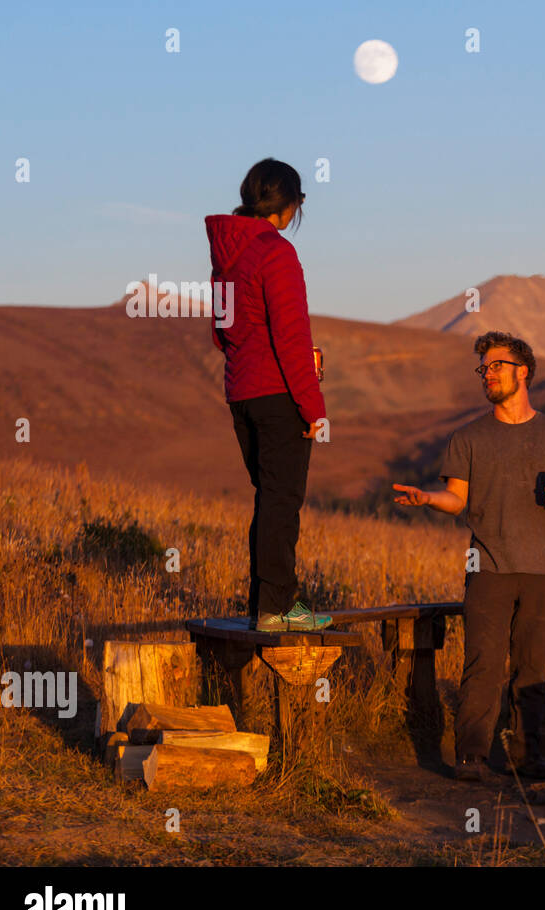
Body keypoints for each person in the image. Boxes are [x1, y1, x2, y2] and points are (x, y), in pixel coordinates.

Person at [393, 332, 545, 780]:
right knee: (482, 664)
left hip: (542, 568)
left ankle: (525, 757)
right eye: (484, 368)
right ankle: (472, 757)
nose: (488, 375)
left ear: (523, 371)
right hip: (488, 567)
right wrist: (427, 498)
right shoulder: (469, 437)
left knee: (532, 670)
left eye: (497, 366)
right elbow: (457, 499)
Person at [206, 158, 332, 632]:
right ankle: (278, 609)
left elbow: (221, 333)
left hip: (240, 393)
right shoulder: (276, 253)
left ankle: (266, 607)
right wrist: (313, 408)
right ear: (289, 204)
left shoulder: (225, 255)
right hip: (278, 392)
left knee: (269, 499)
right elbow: (291, 336)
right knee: (282, 501)